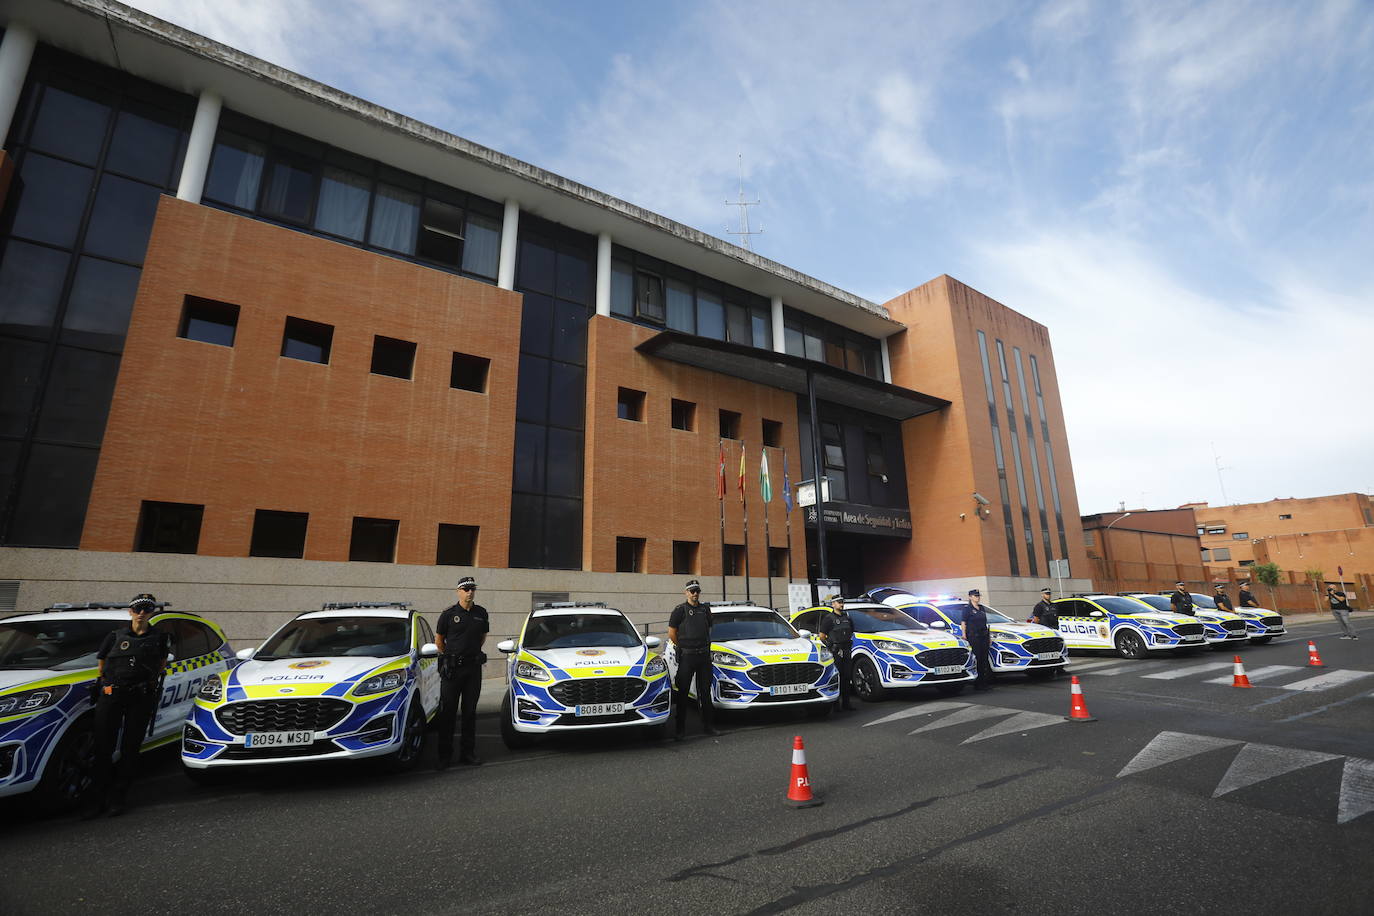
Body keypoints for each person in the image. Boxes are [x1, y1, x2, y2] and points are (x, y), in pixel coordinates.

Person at [83, 594, 170, 818]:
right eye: (138, 608)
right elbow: (102, 664)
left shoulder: (160, 637)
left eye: (147, 609)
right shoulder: (114, 636)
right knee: (103, 748)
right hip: (112, 696)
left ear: (151, 612)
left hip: (140, 697)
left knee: (131, 749)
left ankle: (118, 798)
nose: (142, 613)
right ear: (130, 611)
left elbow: (161, 664)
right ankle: (96, 800)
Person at [435, 576, 489, 768]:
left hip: (473, 669)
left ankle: (468, 753)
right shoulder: (449, 614)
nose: (470, 592)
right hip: (452, 670)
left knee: (469, 713)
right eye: (465, 589)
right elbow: (439, 640)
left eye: (472, 589)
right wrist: (449, 657)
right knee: (447, 712)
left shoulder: (481, 613)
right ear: (458, 591)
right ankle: (444, 756)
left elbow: (482, 637)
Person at [668, 580, 718, 738]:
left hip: (703, 656)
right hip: (687, 656)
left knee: (705, 692)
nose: (695, 593)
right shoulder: (679, 610)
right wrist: (682, 646)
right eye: (692, 591)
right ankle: (680, 730)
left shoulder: (705, 609)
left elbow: (709, 628)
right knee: (682, 693)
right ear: (686, 593)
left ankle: (708, 726)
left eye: (697, 591)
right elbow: (671, 633)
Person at [817, 595, 856, 711]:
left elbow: (851, 631)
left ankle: (846, 703)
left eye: (842, 602)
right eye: (838, 602)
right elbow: (822, 636)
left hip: (846, 650)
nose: (841, 604)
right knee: (836, 677)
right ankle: (835, 704)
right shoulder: (828, 618)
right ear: (833, 604)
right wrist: (832, 647)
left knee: (847, 676)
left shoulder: (847, 617)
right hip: (836, 651)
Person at [961, 589, 993, 691]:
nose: (977, 597)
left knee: (984, 659)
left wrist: (989, 637)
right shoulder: (967, 609)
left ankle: (984, 682)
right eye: (975, 596)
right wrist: (964, 634)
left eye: (978, 596)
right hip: (974, 637)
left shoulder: (981, 608)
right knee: (978, 659)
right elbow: (963, 622)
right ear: (970, 597)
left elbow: (985, 623)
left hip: (984, 636)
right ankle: (978, 683)